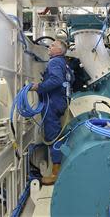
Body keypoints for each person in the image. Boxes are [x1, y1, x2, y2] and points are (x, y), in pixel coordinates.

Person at [30, 39, 71, 185]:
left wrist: (39, 86)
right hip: (59, 101)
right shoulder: (63, 63)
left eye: (53, 45)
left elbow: (56, 80)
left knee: (53, 136)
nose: (49, 46)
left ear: (59, 50)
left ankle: (56, 174)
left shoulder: (54, 62)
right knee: (57, 135)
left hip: (52, 103)